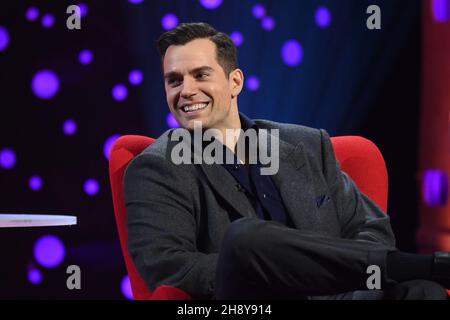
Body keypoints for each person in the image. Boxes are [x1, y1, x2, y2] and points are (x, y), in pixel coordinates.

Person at [123, 22, 450, 300]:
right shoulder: (158, 167)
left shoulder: (307, 144)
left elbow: (370, 229)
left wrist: (345, 286)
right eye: (174, 80)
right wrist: (271, 274)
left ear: (234, 82)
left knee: (425, 291)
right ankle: (432, 264)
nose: (186, 90)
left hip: (343, 295)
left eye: (200, 75)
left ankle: (424, 273)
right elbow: (168, 266)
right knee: (245, 239)